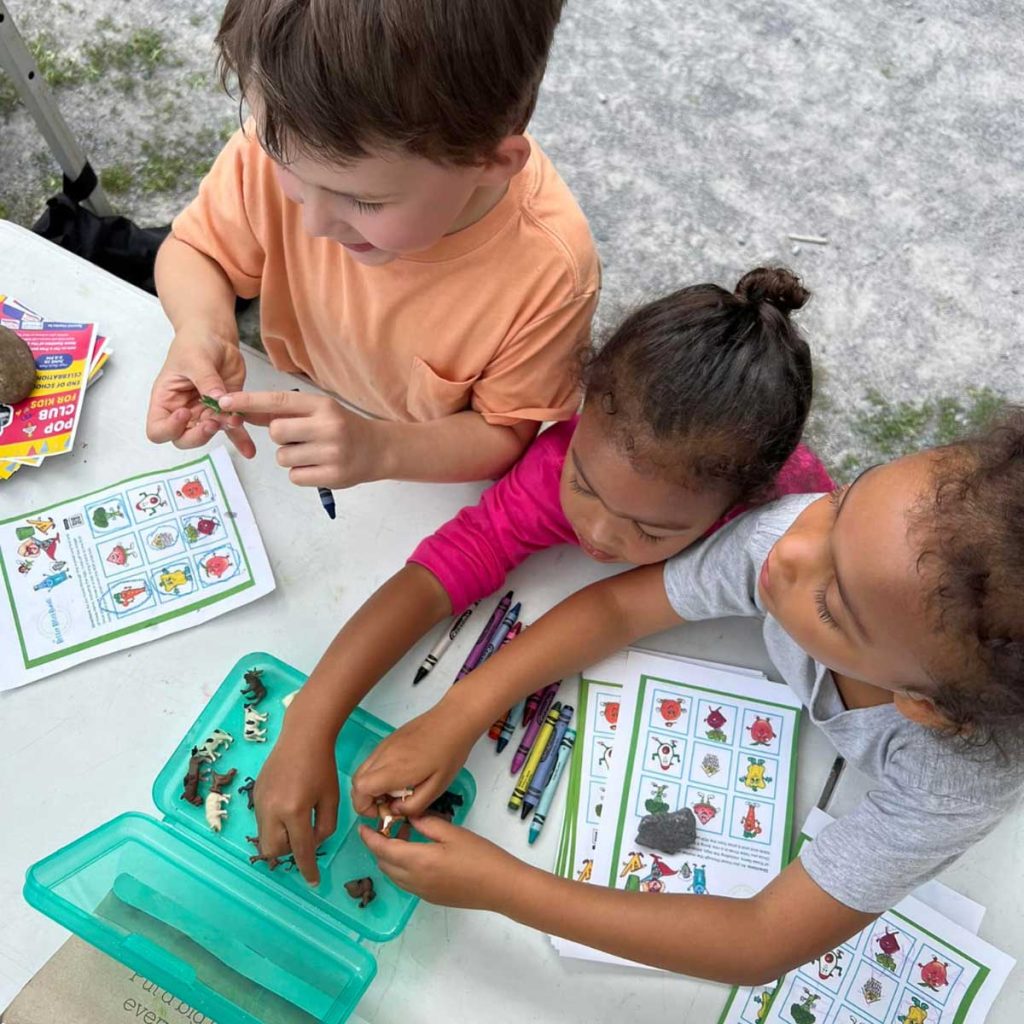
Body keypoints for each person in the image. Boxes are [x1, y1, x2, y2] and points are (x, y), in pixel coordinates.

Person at [352, 407, 1024, 983]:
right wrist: (462, 710)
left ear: (924, 706)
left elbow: (760, 940)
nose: (789, 551)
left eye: (832, 603)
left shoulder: (958, 781)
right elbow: (619, 610)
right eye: (843, 499)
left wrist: (504, 888)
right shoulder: (797, 538)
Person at [255, 266, 833, 878]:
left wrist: (462, 712)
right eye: (583, 485)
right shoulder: (562, 461)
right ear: (583, 411)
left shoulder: (781, 527)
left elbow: (620, 608)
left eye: (651, 530)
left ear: (741, 504)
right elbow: (447, 566)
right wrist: (309, 720)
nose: (599, 535)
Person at [145, 0, 598, 487]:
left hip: (415, 469)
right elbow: (197, 252)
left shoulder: (551, 274)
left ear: (491, 163)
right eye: (285, 165)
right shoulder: (293, 138)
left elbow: (503, 432)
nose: (314, 222)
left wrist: (379, 449)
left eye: (364, 201)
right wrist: (204, 328)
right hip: (304, 396)